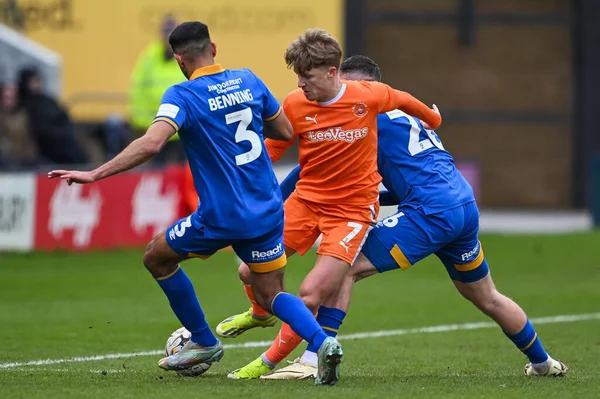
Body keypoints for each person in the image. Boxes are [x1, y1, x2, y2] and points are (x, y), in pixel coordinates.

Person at [224, 55, 568, 380]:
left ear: (357, 84)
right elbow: (405, 178)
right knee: (487, 296)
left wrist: (273, 200)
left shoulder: (361, 116)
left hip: (429, 213)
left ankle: (313, 360)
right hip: (461, 206)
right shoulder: (404, 116)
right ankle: (542, 363)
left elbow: (307, 170)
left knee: (344, 264)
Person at [48, 21, 341, 386]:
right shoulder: (249, 79)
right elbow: (283, 132)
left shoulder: (182, 95)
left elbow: (153, 143)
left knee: (156, 256)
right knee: (270, 294)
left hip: (223, 214)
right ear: (213, 48)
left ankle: (203, 340)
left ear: (179, 60)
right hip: (267, 209)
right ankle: (323, 342)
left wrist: (96, 173)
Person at [216, 29, 442, 382]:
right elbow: (272, 149)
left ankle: (269, 362)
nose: (301, 84)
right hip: (306, 202)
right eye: (298, 77)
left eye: (307, 77)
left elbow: (405, 100)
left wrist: (435, 119)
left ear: (332, 72)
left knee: (309, 294)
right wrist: (249, 184)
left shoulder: (367, 96)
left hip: (351, 213)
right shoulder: (293, 104)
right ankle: (261, 313)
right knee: (249, 270)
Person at [130, 14, 186, 164]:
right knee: (156, 170)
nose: (168, 38)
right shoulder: (150, 56)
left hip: (181, 128)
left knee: (182, 171)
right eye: (166, 33)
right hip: (156, 126)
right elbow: (138, 88)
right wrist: (139, 121)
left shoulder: (185, 55)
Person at [18, 67, 88, 165]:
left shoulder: (48, 100)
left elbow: (64, 116)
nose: (36, 84)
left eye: (38, 80)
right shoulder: (24, 103)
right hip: (46, 143)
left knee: (79, 153)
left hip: (63, 138)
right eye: (33, 81)